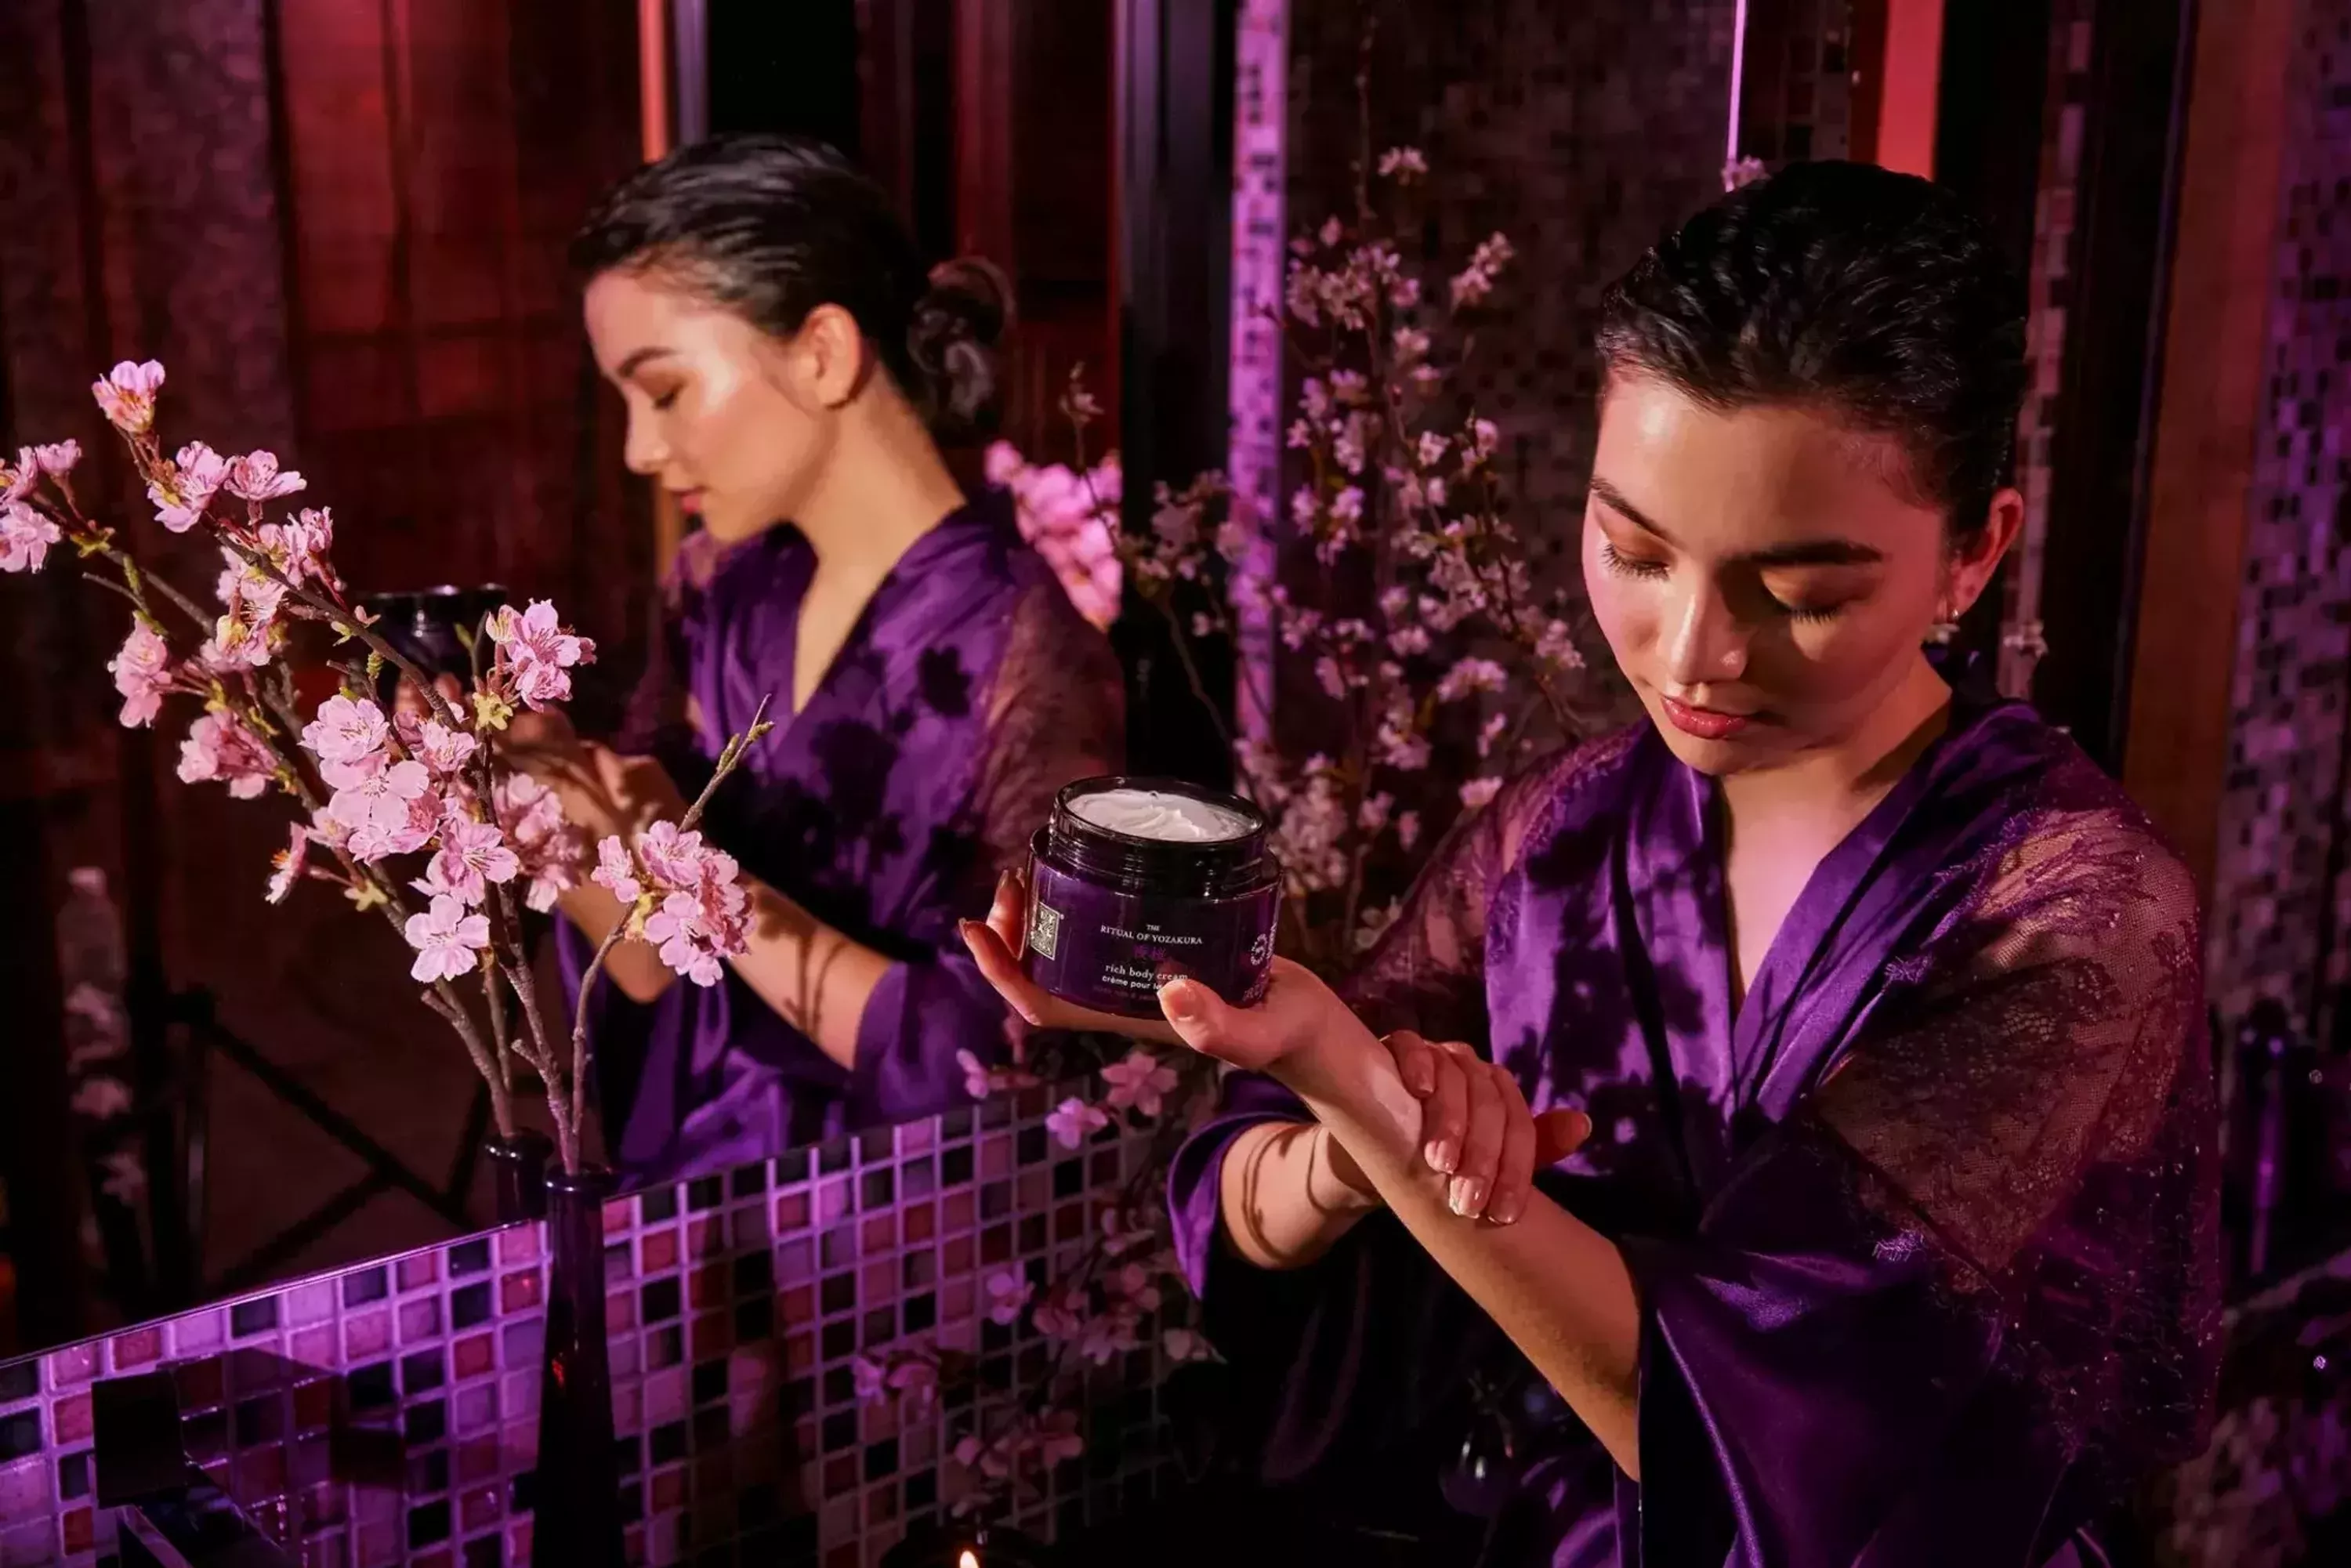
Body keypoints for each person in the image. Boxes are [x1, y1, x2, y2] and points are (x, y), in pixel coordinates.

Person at [962, 161, 2218, 1565]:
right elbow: (1255, 1211)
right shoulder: (1568, 833)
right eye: (1636, 553)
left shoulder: (2069, 917)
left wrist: (1358, 1092)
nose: (1693, 656)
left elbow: (1778, 1446)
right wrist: (1346, 1134)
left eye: (1800, 595)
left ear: (1974, 554)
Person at [527, 134, 1124, 1183]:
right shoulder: (721, 584)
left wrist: (696, 876)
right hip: (687, 1178)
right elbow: (644, 964)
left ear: (823, 352)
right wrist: (533, 795)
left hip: (886, 1219)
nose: (638, 449)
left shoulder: (1030, 656)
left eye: (663, 391)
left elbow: (1005, 1065)